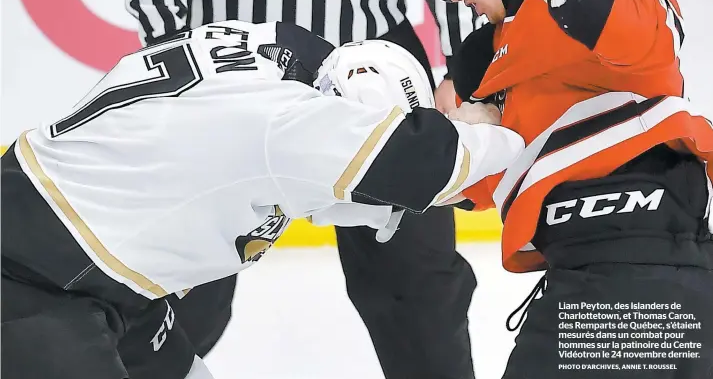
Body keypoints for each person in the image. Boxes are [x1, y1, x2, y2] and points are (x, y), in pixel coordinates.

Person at [0, 20, 524, 379]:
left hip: (105, 270)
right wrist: (515, 129)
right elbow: (429, 161)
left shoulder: (267, 55)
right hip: (34, 274)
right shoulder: (284, 123)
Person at [113, 0, 482, 376]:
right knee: (179, 291)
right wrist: (169, 50)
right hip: (226, 68)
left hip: (375, 73)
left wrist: (465, 63)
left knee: (418, 290)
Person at [418, 0, 713, 377]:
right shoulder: (485, 54)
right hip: (581, 281)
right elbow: (472, 187)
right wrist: (459, 140)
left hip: (641, 272)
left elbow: (647, 35)